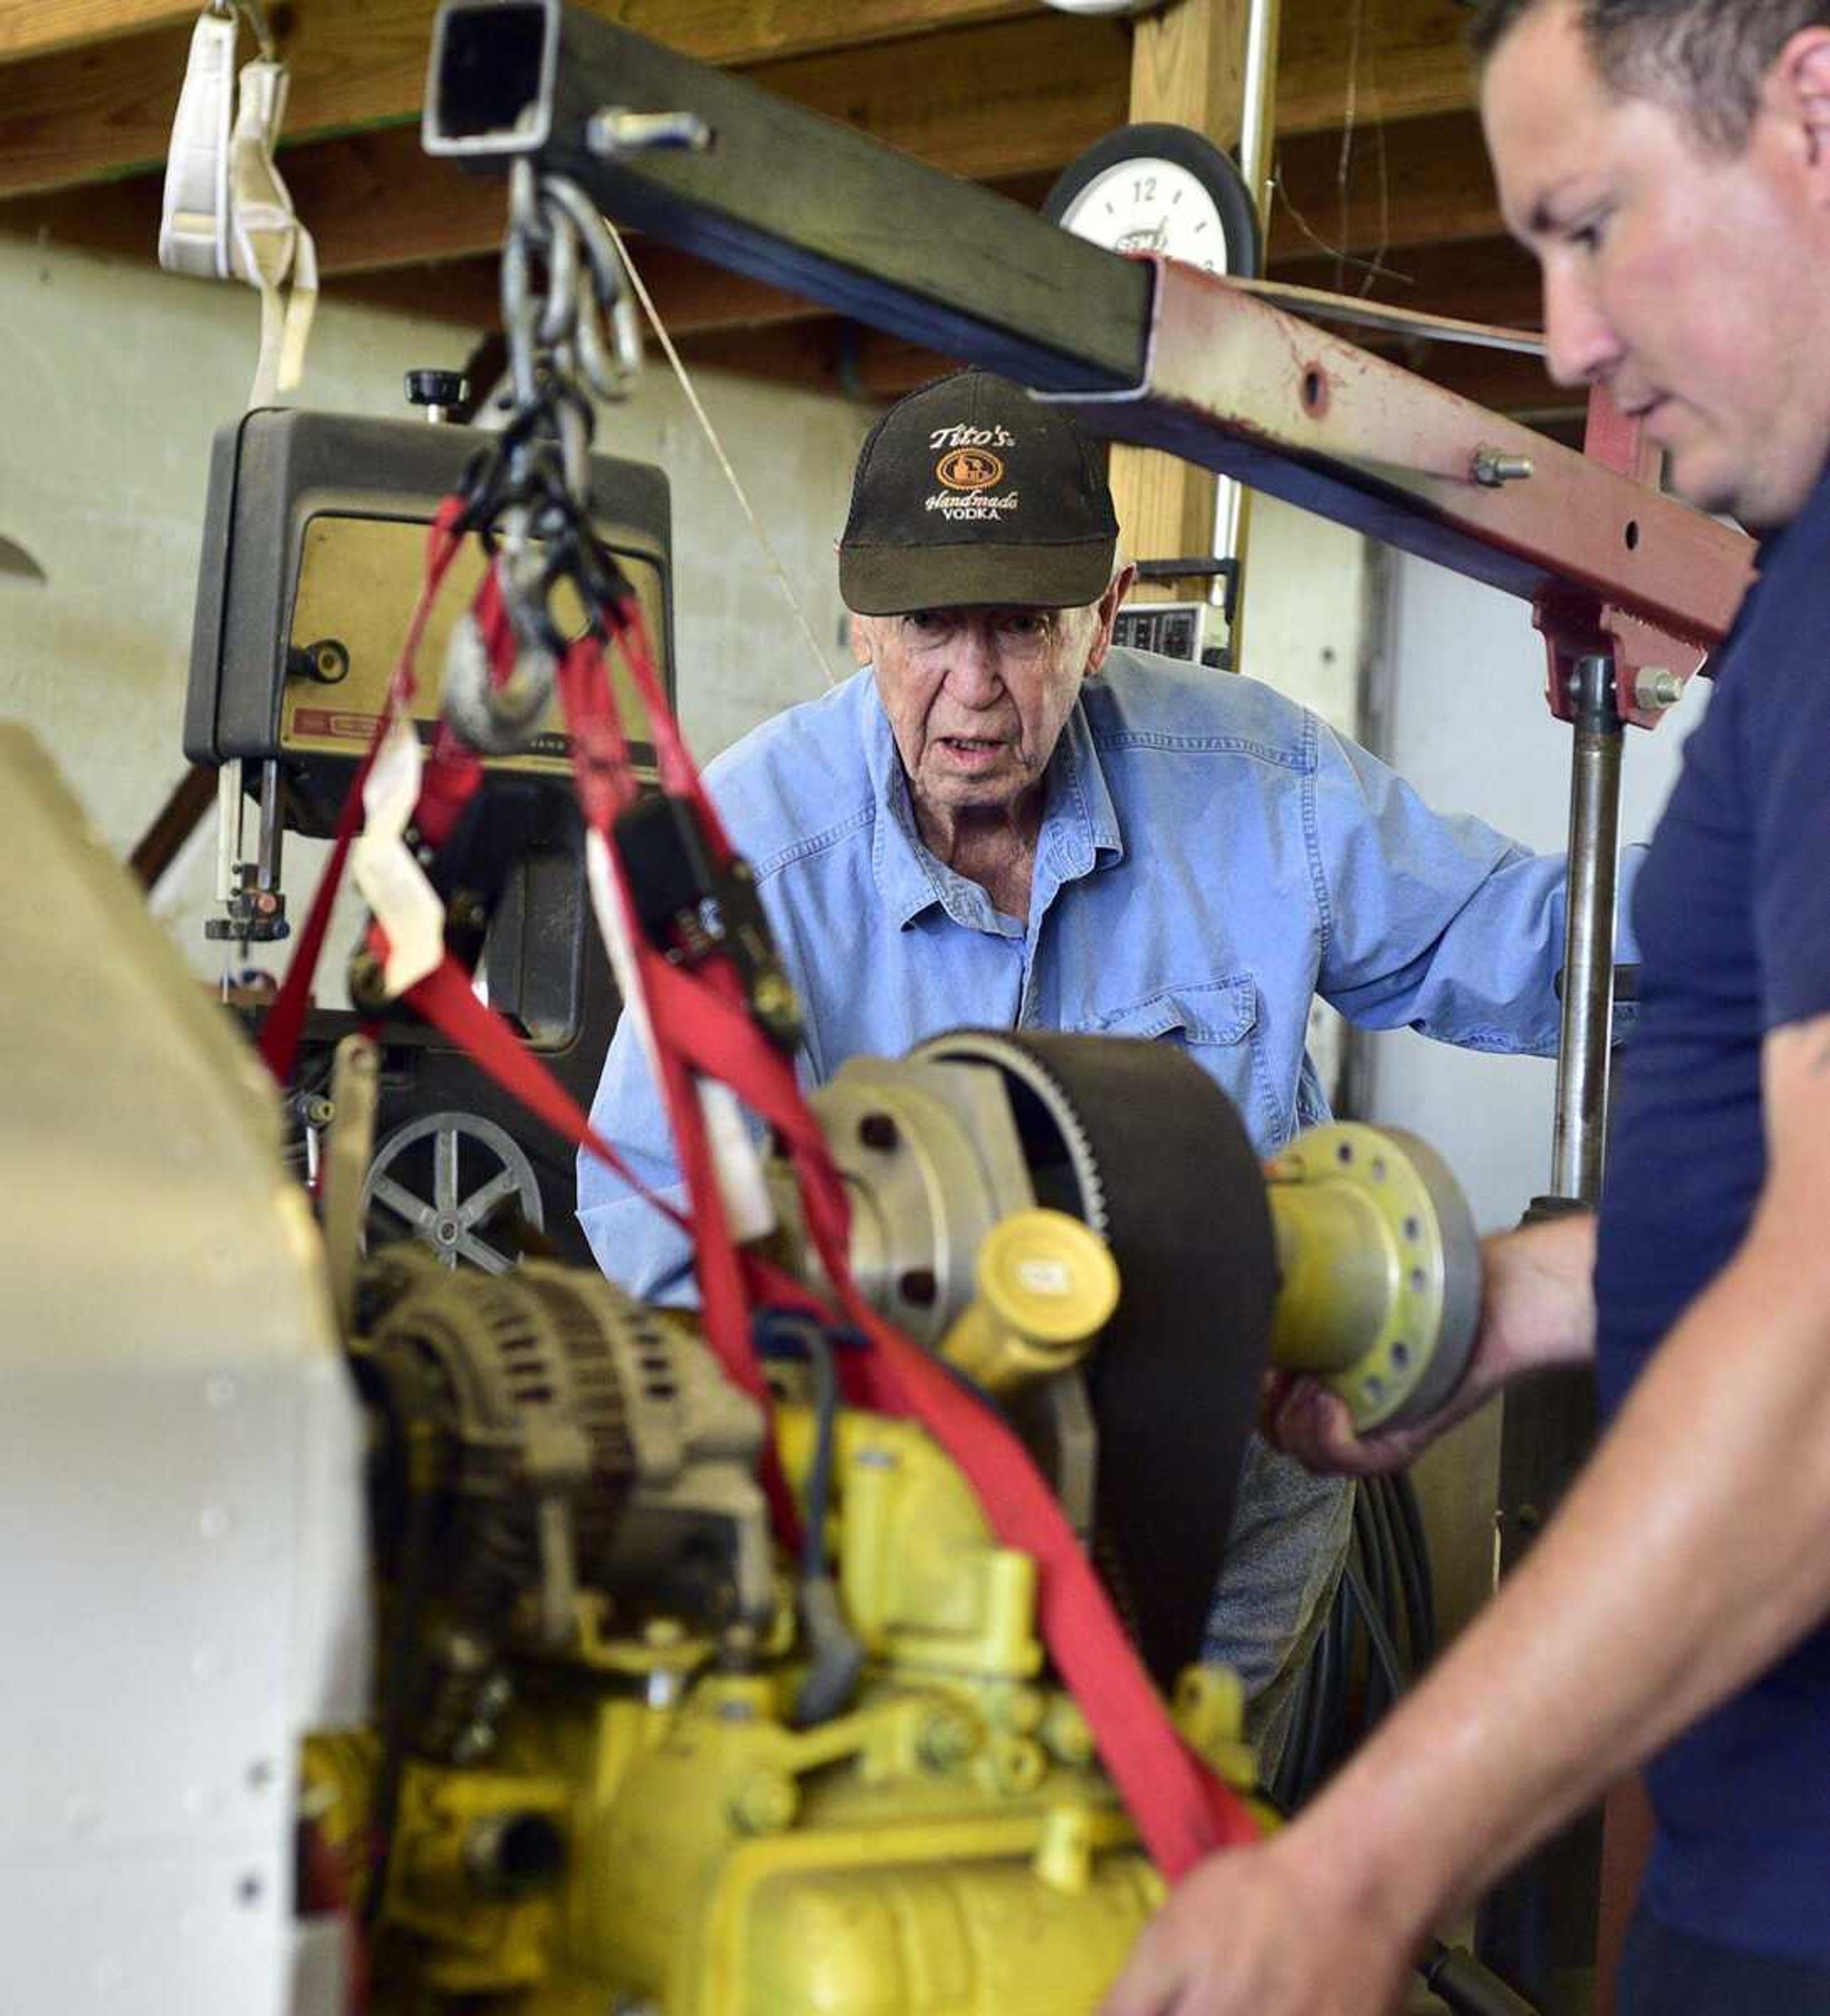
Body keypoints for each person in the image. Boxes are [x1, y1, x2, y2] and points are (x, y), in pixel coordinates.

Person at [578, 366, 1636, 1773]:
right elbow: (660, 1226)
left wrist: (1766, 927)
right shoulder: (752, 857)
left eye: (1020, 626)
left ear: (1105, 614)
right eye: (925, 628)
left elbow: (1521, 941)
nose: (972, 688)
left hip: (1235, 1488)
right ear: (858, 623)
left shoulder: (1260, 785)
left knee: (1184, 1850)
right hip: (903, 1515)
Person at [1100, 4, 1830, 2013]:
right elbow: (1771, 1200)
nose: (1568, 336)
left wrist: (1353, 1866)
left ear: (1815, 112)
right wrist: (1507, 1300)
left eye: (1590, 227)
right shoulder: (1801, 604)